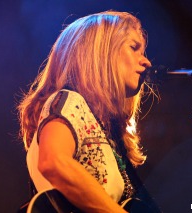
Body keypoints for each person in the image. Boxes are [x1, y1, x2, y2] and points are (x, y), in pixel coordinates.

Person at [17, 10, 159, 212]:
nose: (146, 62)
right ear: (102, 52)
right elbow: (53, 162)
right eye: (134, 48)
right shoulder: (69, 101)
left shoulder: (106, 130)